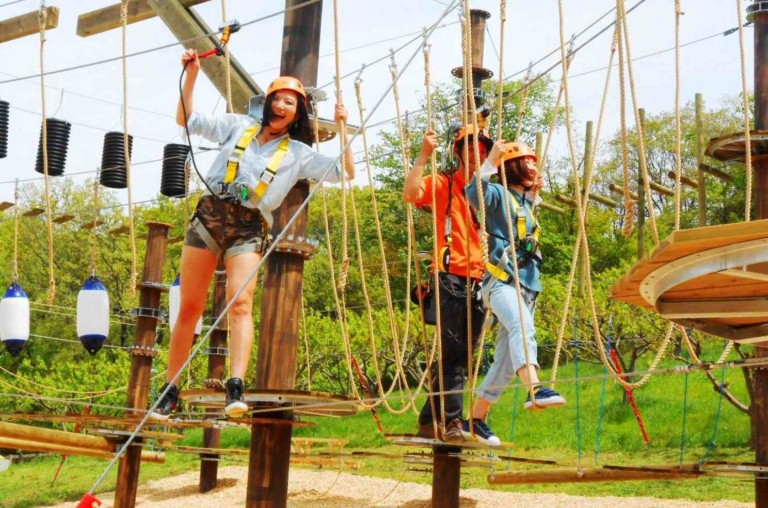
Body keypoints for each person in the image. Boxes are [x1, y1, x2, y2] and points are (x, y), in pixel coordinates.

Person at [150, 49, 355, 421]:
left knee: (240, 303)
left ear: (297, 114)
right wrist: (192, 74)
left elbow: (346, 171)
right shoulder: (236, 125)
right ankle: (170, 389)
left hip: (247, 226)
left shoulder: (298, 153)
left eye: (289, 103)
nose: (280, 106)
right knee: (190, 308)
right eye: (277, 99)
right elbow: (187, 118)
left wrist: (342, 128)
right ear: (267, 104)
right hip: (210, 216)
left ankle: (235, 385)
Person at [464, 140, 565, 446]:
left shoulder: (524, 204)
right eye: (529, 163)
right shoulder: (497, 193)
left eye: (535, 164)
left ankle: (476, 420)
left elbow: (521, 229)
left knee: (507, 364)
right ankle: (534, 388)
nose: (535, 168)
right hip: (501, 283)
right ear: (515, 168)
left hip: (528, 286)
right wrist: (489, 163)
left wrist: (532, 198)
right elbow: (473, 194)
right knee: (524, 326)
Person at [402, 124, 489, 443]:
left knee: (461, 357)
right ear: (457, 152)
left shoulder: (490, 189)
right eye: (469, 147)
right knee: (454, 356)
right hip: (451, 277)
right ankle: (453, 421)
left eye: (481, 147)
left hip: (481, 280)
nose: (476, 153)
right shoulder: (445, 185)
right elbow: (410, 194)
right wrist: (424, 155)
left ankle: (428, 420)